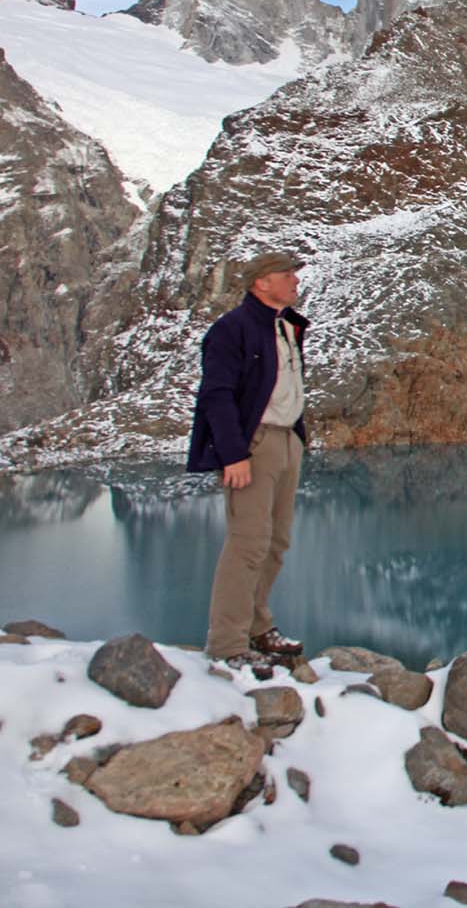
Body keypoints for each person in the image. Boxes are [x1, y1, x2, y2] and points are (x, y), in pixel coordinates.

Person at [187, 251, 311, 666]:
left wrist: (297, 439)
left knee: (276, 542)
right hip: (255, 446)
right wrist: (233, 454)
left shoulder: (286, 327)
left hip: (287, 441)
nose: (295, 280)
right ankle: (227, 646)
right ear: (261, 283)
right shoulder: (232, 329)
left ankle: (258, 628)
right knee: (248, 544)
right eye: (286, 274)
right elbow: (216, 395)